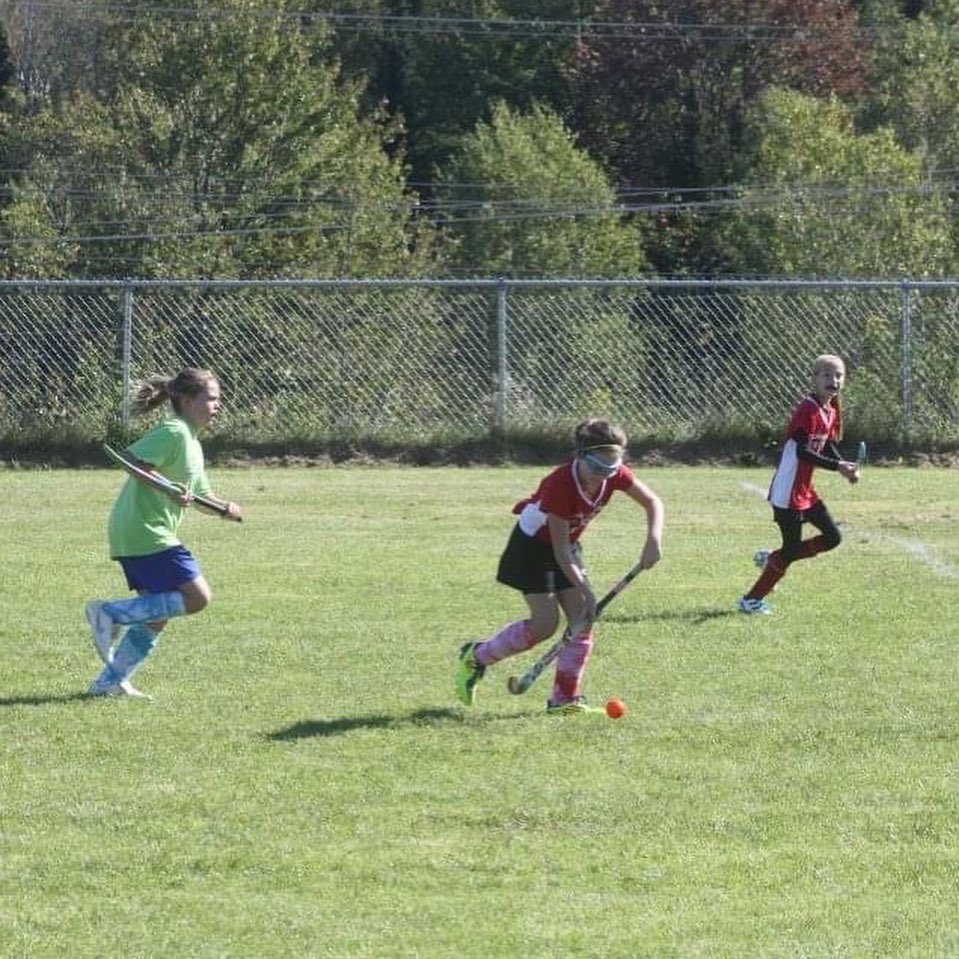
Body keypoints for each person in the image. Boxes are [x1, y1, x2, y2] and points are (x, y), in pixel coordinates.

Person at [456, 417, 664, 714]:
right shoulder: (560, 485)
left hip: (565, 545)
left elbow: (653, 502)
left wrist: (653, 540)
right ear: (580, 455)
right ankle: (476, 656)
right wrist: (587, 591)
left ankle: (564, 698)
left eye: (612, 468)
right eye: (598, 468)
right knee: (545, 625)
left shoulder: (612, 474)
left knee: (582, 619)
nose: (604, 476)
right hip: (532, 549)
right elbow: (560, 551)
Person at [85, 368, 243, 698]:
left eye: (219, 400)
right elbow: (133, 460)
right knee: (197, 597)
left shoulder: (193, 444)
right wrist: (170, 489)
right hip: (146, 531)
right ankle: (110, 613)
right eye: (211, 399)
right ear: (186, 401)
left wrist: (224, 507)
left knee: (158, 614)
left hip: (138, 532)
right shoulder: (173, 431)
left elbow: (198, 496)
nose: (218, 405)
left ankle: (110, 682)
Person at [738, 353, 860, 615]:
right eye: (826, 375)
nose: (833, 380)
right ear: (814, 378)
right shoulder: (808, 409)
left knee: (832, 537)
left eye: (838, 375)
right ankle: (751, 600)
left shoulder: (830, 409)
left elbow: (826, 443)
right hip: (788, 492)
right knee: (791, 550)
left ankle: (775, 558)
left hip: (805, 491)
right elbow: (804, 452)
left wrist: (844, 467)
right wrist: (837, 466)